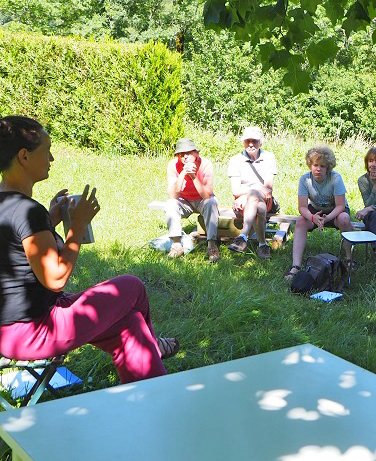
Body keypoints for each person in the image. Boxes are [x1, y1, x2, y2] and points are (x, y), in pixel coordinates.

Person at [0, 116, 177, 383]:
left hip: (9, 330)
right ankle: (155, 348)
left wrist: (50, 219)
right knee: (131, 285)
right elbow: (55, 279)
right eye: (46, 151)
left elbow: (17, 247)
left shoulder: (9, 205)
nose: (52, 159)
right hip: (34, 331)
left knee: (129, 325)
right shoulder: (27, 211)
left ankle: (149, 391)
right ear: (24, 156)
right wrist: (78, 227)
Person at [286, 146, 354, 276]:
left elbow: (340, 205)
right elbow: (302, 207)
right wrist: (312, 218)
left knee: (344, 219)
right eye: (315, 165)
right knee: (300, 221)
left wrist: (327, 219)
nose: (318, 169)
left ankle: (350, 259)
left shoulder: (336, 178)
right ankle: (295, 266)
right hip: (316, 210)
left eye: (322, 166)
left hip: (335, 211)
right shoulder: (305, 179)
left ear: (328, 167)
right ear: (310, 165)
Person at [164, 138, 220, 263]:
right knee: (170, 204)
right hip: (184, 200)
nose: (185, 157)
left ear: (196, 153)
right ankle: (177, 245)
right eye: (181, 154)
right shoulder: (173, 165)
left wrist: (193, 176)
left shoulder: (206, 164)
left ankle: (211, 245)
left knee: (211, 202)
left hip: (202, 200)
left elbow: (207, 195)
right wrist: (184, 173)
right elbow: (172, 195)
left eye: (188, 153)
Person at [227, 126, 279, 259]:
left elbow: (267, 188)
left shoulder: (269, 157)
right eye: (247, 141)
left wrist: (248, 193)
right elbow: (235, 190)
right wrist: (255, 189)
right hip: (246, 202)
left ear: (260, 142)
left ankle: (243, 236)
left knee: (256, 198)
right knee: (259, 207)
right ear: (243, 142)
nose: (251, 144)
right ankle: (262, 245)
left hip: (262, 199)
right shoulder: (235, 160)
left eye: (254, 141)